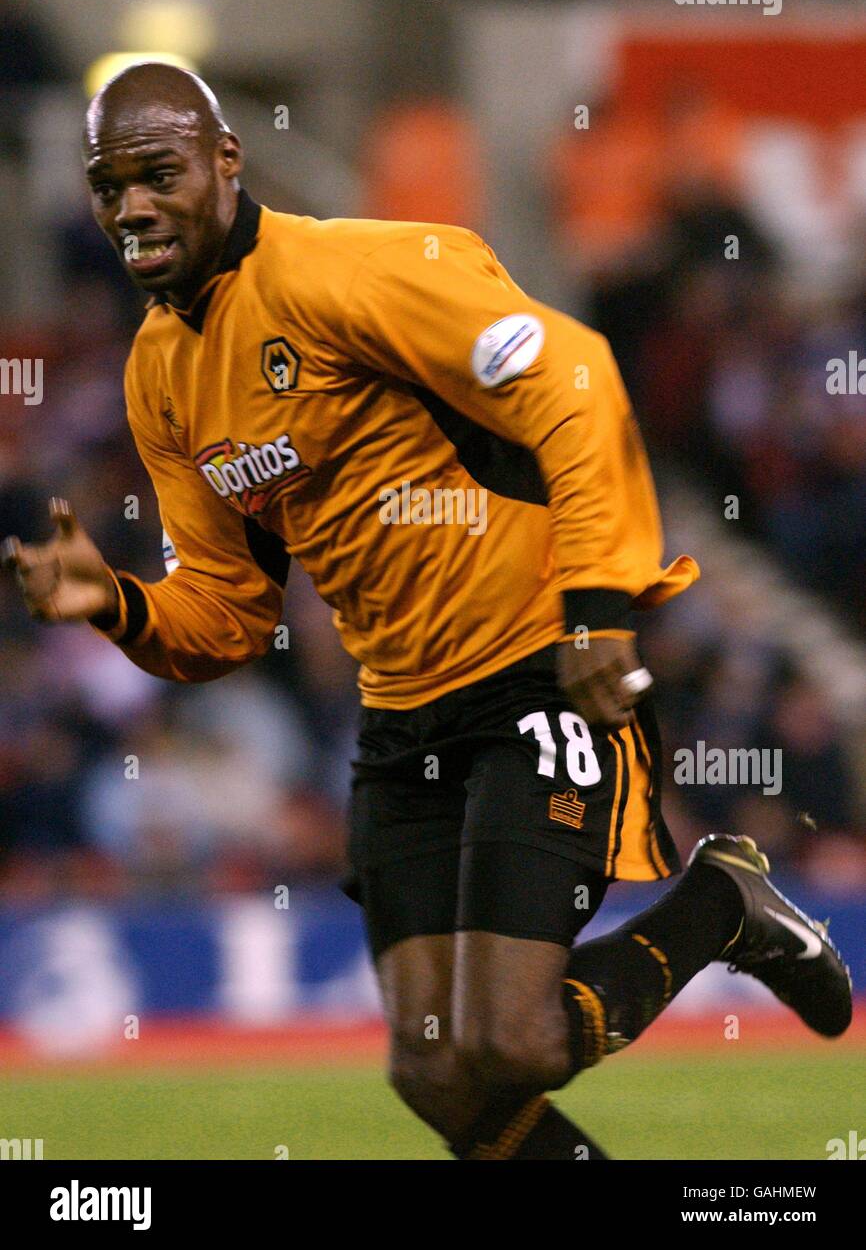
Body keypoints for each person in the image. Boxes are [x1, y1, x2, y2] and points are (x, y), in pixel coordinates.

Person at [2, 63, 851, 1160]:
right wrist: (114, 604)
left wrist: (595, 609)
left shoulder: (359, 269)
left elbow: (574, 379)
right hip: (401, 716)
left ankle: (719, 908)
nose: (131, 207)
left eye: (157, 173)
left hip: (534, 666)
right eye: (107, 186)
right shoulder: (160, 373)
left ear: (225, 162)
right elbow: (223, 616)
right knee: (437, 1075)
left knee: (509, 1039)